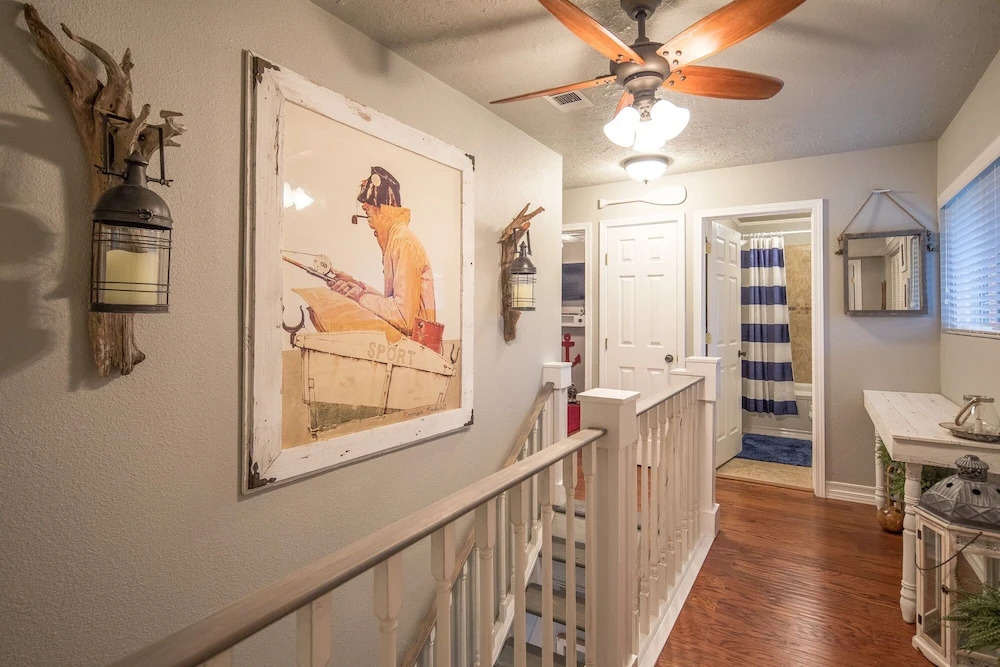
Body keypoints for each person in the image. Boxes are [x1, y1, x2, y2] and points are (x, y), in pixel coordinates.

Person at [327, 166, 437, 338]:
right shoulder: (396, 239)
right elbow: (393, 304)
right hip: (413, 344)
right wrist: (355, 285)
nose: (364, 206)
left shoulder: (402, 242)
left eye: (369, 201)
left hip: (419, 345)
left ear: (384, 207)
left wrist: (360, 296)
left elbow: (403, 317)